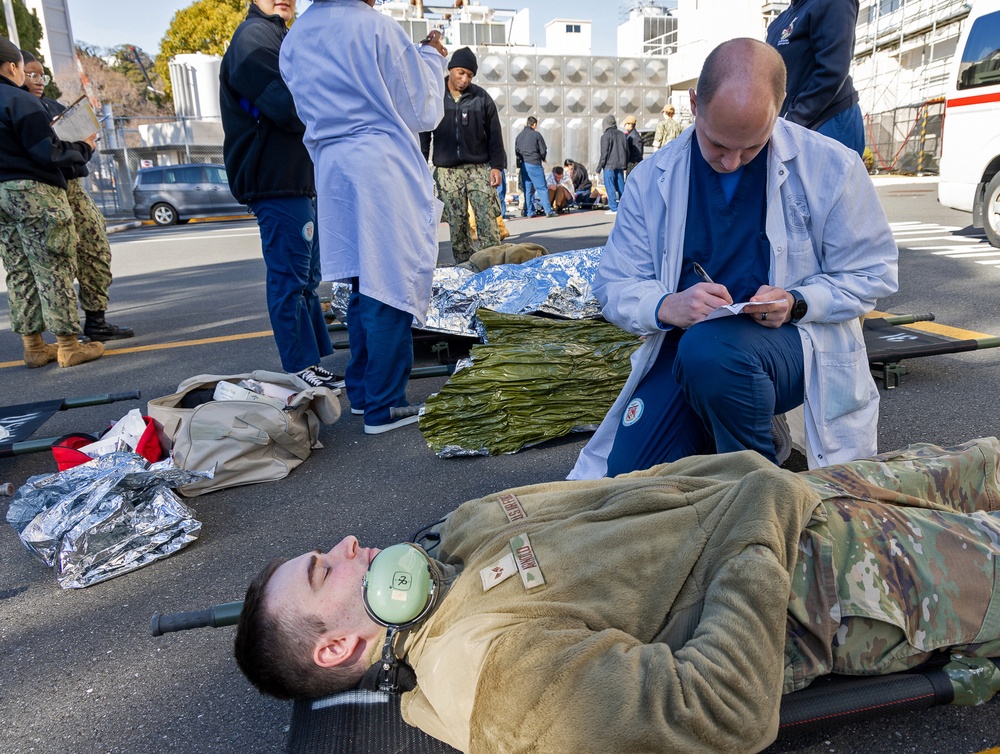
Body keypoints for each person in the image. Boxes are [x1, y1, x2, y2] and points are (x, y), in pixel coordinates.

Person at [234, 436, 1000, 753]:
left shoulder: (449, 540)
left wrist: (750, 481)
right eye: (320, 573)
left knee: (983, 460)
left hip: (794, 496)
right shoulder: (490, 675)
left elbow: (620, 491)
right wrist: (757, 525)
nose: (341, 549)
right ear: (337, 647)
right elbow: (724, 712)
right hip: (839, 585)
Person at [569, 38, 897, 480]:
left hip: (791, 344)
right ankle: (726, 422)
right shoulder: (651, 178)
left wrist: (798, 300)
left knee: (712, 353)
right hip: (685, 346)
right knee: (625, 475)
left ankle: (758, 484)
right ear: (693, 105)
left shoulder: (832, 167)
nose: (732, 162)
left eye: (752, 148)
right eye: (718, 144)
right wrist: (666, 306)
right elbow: (614, 283)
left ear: (776, 115)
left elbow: (873, 273)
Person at [280, 0, 448, 434]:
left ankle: (363, 390)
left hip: (332, 165)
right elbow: (423, 109)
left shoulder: (296, 35)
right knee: (388, 283)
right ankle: (385, 404)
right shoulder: (376, 27)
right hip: (378, 163)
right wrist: (431, 56)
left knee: (358, 280)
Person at [220, 0, 338, 391]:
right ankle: (300, 366)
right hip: (275, 180)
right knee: (289, 277)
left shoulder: (278, 34)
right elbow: (287, 107)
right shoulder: (253, 37)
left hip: (295, 180)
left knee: (307, 278)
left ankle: (312, 362)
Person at [0, 40, 105, 368]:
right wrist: (84, 147)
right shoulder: (20, 100)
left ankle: (33, 346)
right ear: (12, 68)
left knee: (19, 269)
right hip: (34, 193)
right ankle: (69, 345)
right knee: (52, 266)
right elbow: (47, 152)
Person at [20, 51, 133, 344]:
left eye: (41, 75)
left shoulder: (49, 105)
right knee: (55, 261)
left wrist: (84, 143)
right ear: (15, 71)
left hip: (74, 185)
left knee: (95, 250)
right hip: (45, 190)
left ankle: (96, 320)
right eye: (30, 74)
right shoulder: (21, 107)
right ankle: (56, 337)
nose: (38, 81)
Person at [420, 47, 505, 265]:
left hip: (478, 168)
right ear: (450, 70)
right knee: (457, 225)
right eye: (460, 72)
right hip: (447, 172)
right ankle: (465, 268)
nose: (465, 79)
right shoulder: (435, 95)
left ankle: (492, 269)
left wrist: (497, 166)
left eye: (470, 75)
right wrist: (421, 166)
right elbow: (424, 134)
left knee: (487, 220)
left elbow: (495, 134)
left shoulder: (481, 98)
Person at [766, 0, 865, 157]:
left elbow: (833, 70)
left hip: (827, 120)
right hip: (793, 125)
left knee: (831, 180)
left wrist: (793, 119)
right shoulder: (781, 20)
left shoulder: (833, 3)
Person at [514, 116, 556, 218]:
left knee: (527, 190)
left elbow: (517, 151)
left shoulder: (519, 136)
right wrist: (543, 158)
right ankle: (548, 211)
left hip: (524, 165)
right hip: (534, 164)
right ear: (534, 125)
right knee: (541, 187)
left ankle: (529, 212)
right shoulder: (536, 135)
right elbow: (543, 149)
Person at [595, 114, 627, 215]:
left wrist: (599, 168)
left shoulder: (605, 136)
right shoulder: (622, 135)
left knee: (610, 187)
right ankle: (624, 206)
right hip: (620, 165)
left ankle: (613, 207)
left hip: (609, 165)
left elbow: (604, 153)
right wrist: (625, 164)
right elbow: (626, 150)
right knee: (621, 186)